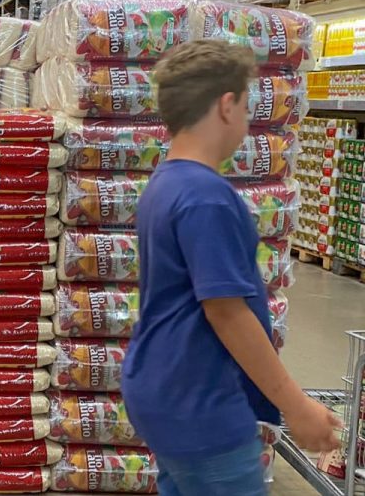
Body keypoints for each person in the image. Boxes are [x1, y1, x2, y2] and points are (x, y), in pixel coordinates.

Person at [120, 40, 341, 495]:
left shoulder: (166, 183)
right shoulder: (207, 197)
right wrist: (296, 406)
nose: (246, 120)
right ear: (226, 105)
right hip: (201, 404)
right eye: (245, 106)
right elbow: (227, 312)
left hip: (164, 391)